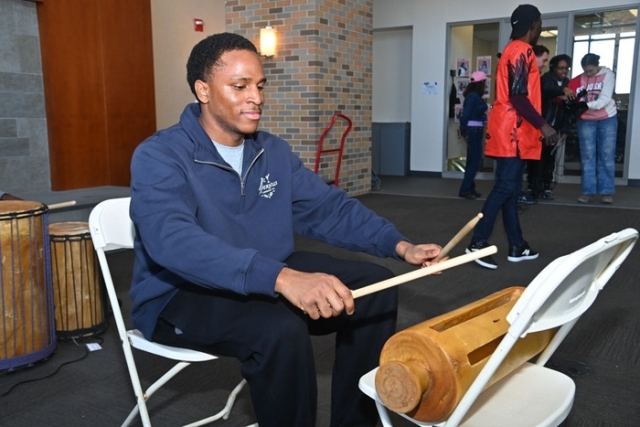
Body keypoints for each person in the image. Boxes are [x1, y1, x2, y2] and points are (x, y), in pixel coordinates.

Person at [129, 32, 443, 427]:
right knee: (281, 329)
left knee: (376, 289)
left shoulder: (271, 151)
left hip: (264, 267)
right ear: (203, 90)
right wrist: (281, 277)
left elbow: (328, 208)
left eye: (259, 85)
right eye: (239, 86)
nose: (256, 97)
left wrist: (399, 246)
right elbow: (173, 242)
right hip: (179, 291)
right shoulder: (160, 155)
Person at [466, 4, 558, 270]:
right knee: (506, 188)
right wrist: (543, 125)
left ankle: (516, 244)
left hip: (511, 129)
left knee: (511, 189)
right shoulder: (522, 50)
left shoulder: (511, 50)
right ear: (534, 26)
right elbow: (518, 96)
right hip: (513, 132)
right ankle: (477, 242)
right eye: (539, 24)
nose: (540, 29)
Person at [568, 53, 618, 204]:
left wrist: (586, 105)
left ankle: (606, 192)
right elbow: (574, 95)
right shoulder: (580, 78)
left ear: (597, 65)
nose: (588, 74)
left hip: (607, 118)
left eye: (591, 70)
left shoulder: (608, 75)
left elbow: (605, 98)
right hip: (586, 120)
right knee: (588, 156)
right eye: (586, 71)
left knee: (606, 156)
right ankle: (588, 192)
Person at [527, 54, 576, 200]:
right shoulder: (545, 79)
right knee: (537, 159)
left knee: (550, 158)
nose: (564, 71)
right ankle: (533, 186)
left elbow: (568, 110)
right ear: (553, 68)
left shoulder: (568, 82)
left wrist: (565, 129)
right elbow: (546, 90)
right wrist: (562, 91)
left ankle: (546, 186)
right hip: (542, 125)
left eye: (566, 68)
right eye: (561, 68)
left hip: (556, 126)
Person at [519, 44, 551, 204]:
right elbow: (520, 101)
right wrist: (542, 125)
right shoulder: (523, 75)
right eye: (544, 60)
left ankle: (516, 195)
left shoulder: (535, 77)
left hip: (529, 128)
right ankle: (516, 195)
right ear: (534, 57)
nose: (545, 64)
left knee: (518, 168)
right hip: (518, 130)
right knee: (511, 173)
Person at [458, 70, 488, 200]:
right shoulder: (473, 97)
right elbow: (465, 116)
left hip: (475, 130)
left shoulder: (472, 96)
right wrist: (464, 132)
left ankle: (470, 187)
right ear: (481, 82)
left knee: (473, 161)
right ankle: (465, 189)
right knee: (474, 162)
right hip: (473, 131)